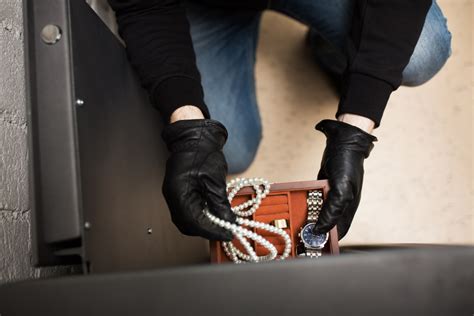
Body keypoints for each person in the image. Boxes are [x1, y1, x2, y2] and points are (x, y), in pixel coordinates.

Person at [107, 0, 451, 241]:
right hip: (207, 5)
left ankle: (337, 56)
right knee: (236, 150)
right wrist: (187, 125)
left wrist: (355, 130)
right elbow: (143, 5)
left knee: (422, 51)